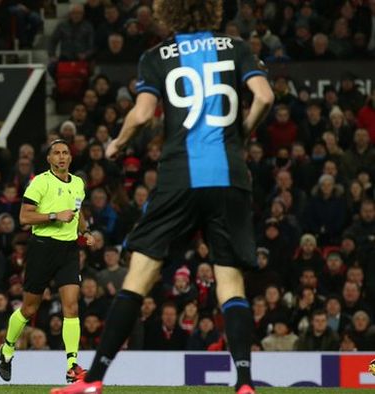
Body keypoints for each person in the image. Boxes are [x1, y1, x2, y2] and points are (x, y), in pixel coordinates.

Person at [52, 1, 274, 393]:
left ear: (167, 13)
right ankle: (243, 384)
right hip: (230, 178)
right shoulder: (236, 48)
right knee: (230, 282)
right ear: (212, 11)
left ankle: (95, 380)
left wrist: (118, 143)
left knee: (139, 275)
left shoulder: (156, 57)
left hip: (180, 177)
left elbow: (140, 115)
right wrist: (242, 135)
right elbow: (265, 96)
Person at [0, 139, 94, 384]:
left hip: (69, 251)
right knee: (29, 309)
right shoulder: (40, 182)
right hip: (42, 248)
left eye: (65, 153)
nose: (61, 157)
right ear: (49, 159)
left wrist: (85, 231)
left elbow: (77, 211)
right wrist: (54, 216)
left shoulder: (79, 183)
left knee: (71, 307)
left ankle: (72, 365)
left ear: (70, 158)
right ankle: (7, 349)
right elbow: (23, 217)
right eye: (56, 154)